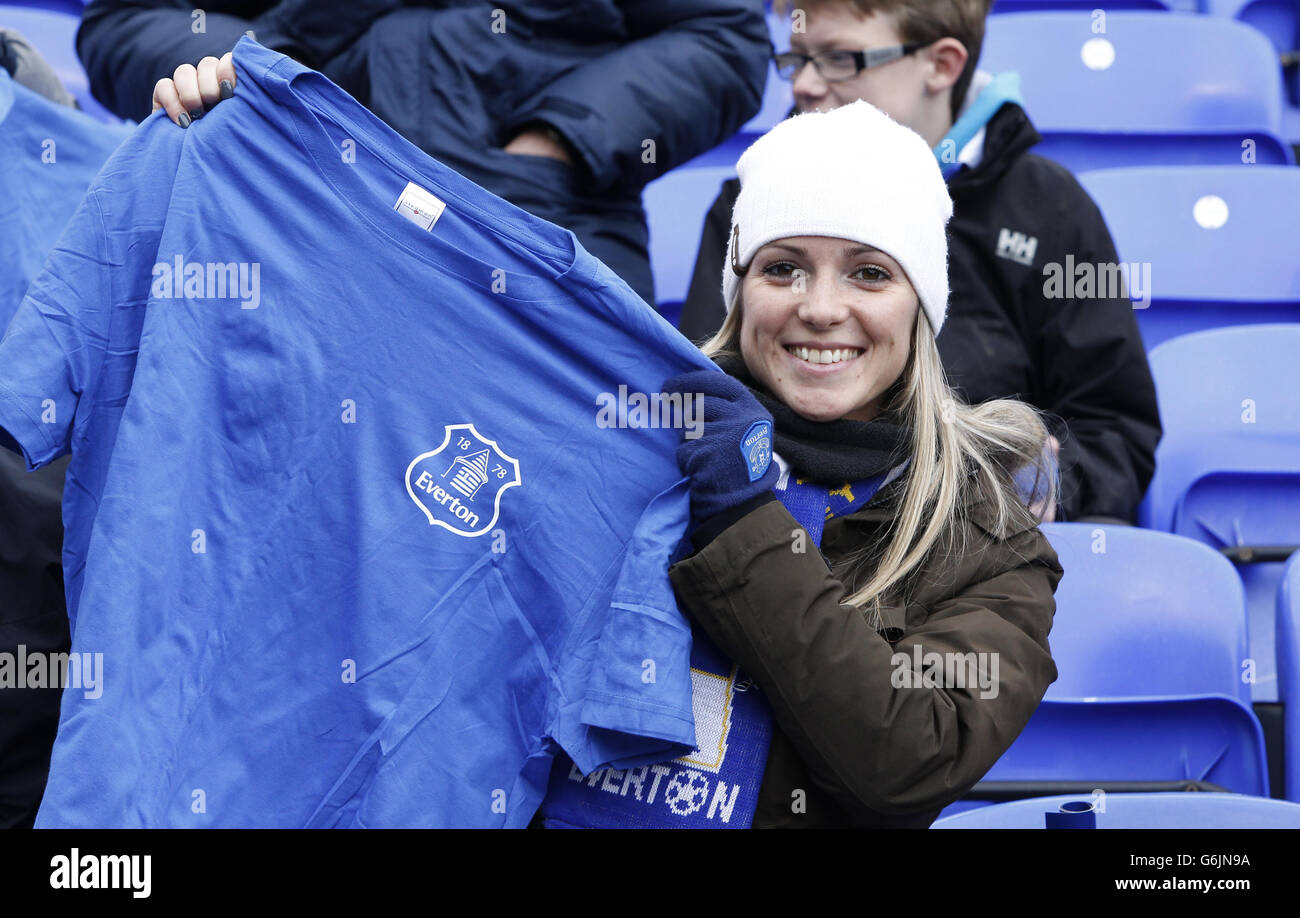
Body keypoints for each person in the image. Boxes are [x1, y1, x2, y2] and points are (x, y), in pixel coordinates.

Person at [537, 99, 1061, 829]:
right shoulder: (627, 443)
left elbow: (904, 763)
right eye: (783, 268)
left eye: (869, 273)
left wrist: (742, 519)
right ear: (740, 291)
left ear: (921, 307)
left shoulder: (986, 542)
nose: (819, 308)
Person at [677, 0, 1162, 525]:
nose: (805, 86)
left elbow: (1115, 427)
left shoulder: (1053, 205)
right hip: (786, 523)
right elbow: (708, 386)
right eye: (797, 60)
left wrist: (1037, 487)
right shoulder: (747, 200)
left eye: (840, 58)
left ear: (943, 64)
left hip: (983, 538)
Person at [75, 0, 771, 306]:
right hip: (283, 205)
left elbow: (721, 37)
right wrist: (251, 72)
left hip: (542, 222)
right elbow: (126, 21)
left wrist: (556, 143)